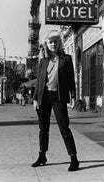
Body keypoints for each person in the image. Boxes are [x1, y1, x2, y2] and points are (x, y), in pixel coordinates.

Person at [31, 30, 79, 172]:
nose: (53, 44)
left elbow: (71, 79)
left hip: (59, 97)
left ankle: (74, 159)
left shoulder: (67, 59)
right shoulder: (43, 61)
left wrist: (74, 96)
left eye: (55, 41)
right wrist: (34, 99)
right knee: (43, 129)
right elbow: (39, 82)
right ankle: (42, 156)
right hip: (44, 97)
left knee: (64, 127)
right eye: (50, 42)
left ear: (59, 43)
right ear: (47, 44)